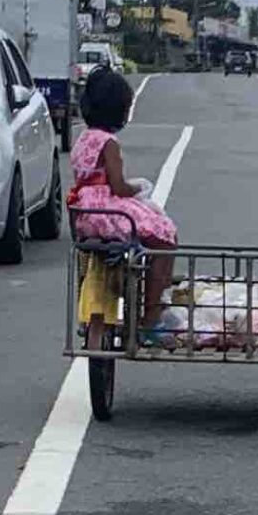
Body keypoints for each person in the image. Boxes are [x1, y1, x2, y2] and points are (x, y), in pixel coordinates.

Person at [69, 67, 178, 331]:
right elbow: (118, 187)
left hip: (83, 213)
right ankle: (152, 314)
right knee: (165, 237)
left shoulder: (83, 138)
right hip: (109, 214)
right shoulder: (109, 143)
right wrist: (137, 187)